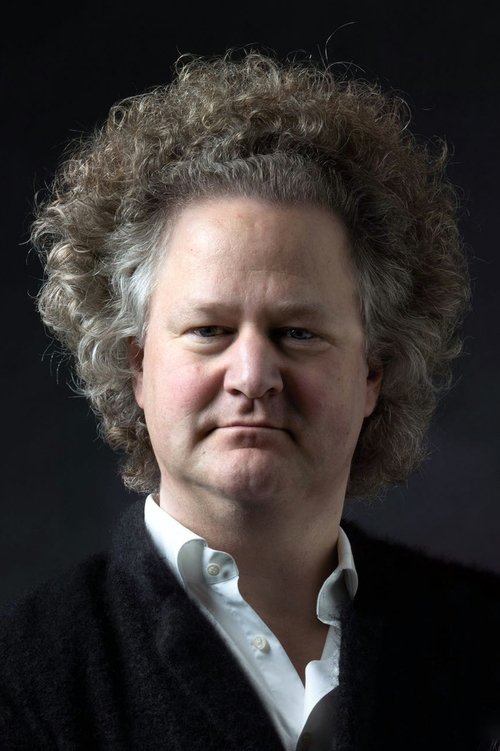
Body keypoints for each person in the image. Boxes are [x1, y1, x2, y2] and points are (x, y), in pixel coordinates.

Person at [1, 51, 499, 751]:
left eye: (298, 332)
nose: (253, 374)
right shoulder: (26, 684)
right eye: (209, 330)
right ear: (136, 364)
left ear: (372, 374)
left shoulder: (485, 638)